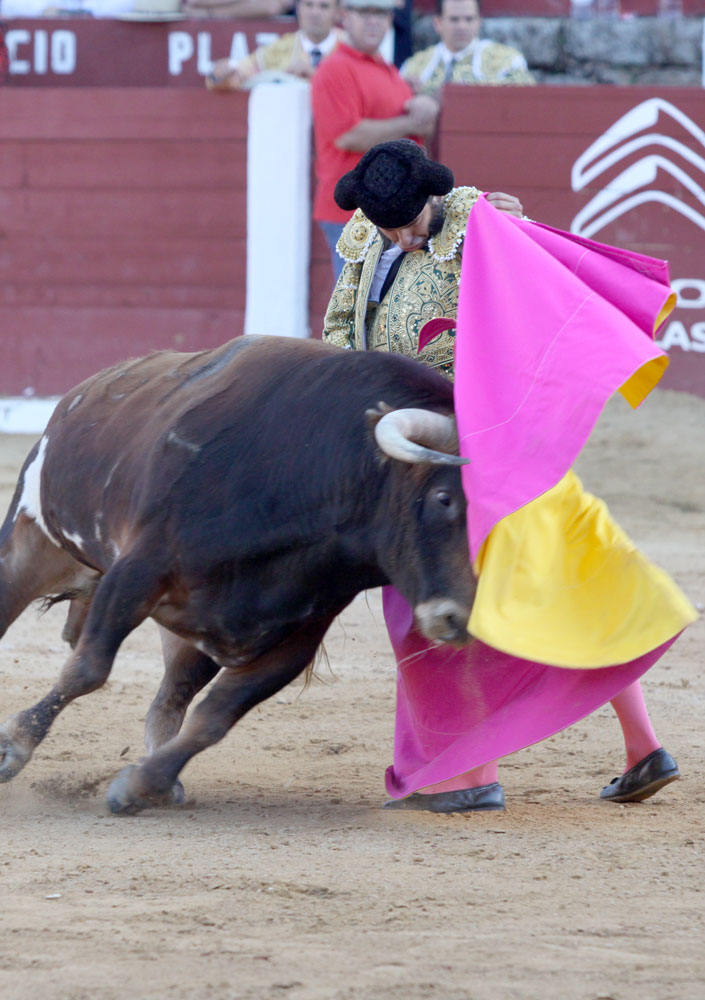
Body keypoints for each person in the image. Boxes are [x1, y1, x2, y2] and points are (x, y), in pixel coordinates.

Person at [323, 139, 695, 813]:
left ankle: (471, 776)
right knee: (576, 589)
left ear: (432, 199)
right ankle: (643, 750)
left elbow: (546, 310)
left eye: (408, 222)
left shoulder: (482, 227)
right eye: (388, 227)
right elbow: (340, 334)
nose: (401, 237)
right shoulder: (363, 244)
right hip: (429, 448)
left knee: (435, 606)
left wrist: (514, 232)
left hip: (480, 450)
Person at [311, 0, 441, 282]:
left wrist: (421, 104)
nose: (374, 21)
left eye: (380, 13)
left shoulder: (388, 69)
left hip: (389, 210)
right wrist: (410, 123)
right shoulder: (335, 68)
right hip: (351, 211)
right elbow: (349, 136)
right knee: (356, 304)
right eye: (365, 12)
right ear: (345, 16)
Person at [401, 0, 534, 98]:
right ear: (438, 23)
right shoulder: (414, 66)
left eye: (469, 19)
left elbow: (527, 98)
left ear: (479, 21)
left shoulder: (507, 60)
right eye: (454, 19)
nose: (462, 26)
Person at [205, 0, 343, 91]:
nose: (315, 13)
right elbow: (235, 75)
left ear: (337, 13)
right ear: (298, 9)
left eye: (324, 6)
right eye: (308, 5)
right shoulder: (278, 50)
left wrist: (316, 75)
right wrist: (218, 76)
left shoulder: (352, 48)